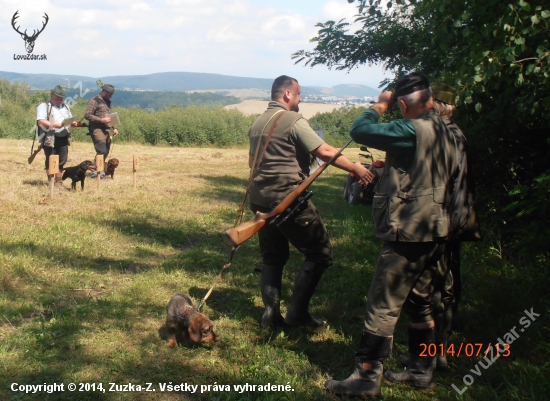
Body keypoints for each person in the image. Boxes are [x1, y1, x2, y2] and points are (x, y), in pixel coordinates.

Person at [325, 73, 459, 397]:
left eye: (396, 105)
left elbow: (359, 130)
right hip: (436, 230)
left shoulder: (412, 128)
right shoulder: (448, 130)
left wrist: (378, 106)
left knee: (382, 304)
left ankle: (366, 377)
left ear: (402, 104)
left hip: (408, 233)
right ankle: (420, 370)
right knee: (422, 303)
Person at [249, 75, 374, 332]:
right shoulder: (292, 120)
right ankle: (297, 314)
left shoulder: (257, 122)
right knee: (320, 252)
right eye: (298, 93)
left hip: (260, 199)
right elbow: (325, 152)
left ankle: (271, 316)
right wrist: (355, 168)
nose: (301, 98)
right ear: (286, 95)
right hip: (287, 200)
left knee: (272, 257)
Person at [397, 82, 479, 370]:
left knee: (441, 287)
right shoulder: (451, 133)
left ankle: (437, 354)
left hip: (447, 219)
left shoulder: (448, 135)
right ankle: (434, 354)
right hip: (448, 217)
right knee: (438, 285)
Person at [36, 85, 78, 187]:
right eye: (57, 98)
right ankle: (51, 180)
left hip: (63, 137)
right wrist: (55, 125)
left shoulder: (66, 107)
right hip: (50, 137)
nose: (59, 100)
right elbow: (40, 121)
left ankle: (59, 181)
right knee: (51, 159)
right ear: (51, 96)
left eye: (61, 98)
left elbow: (69, 119)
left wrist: (73, 123)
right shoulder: (44, 106)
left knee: (62, 160)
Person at [85, 84, 118, 178]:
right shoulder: (94, 101)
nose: (111, 96)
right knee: (101, 150)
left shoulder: (108, 102)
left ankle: (100, 169)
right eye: (110, 94)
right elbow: (88, 115)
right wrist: (101, 120)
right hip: (97, 128)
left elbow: (111, 116)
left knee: (106, 151)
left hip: (107, 129)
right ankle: (96, 172)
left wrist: (115, 128)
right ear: (104, 92)